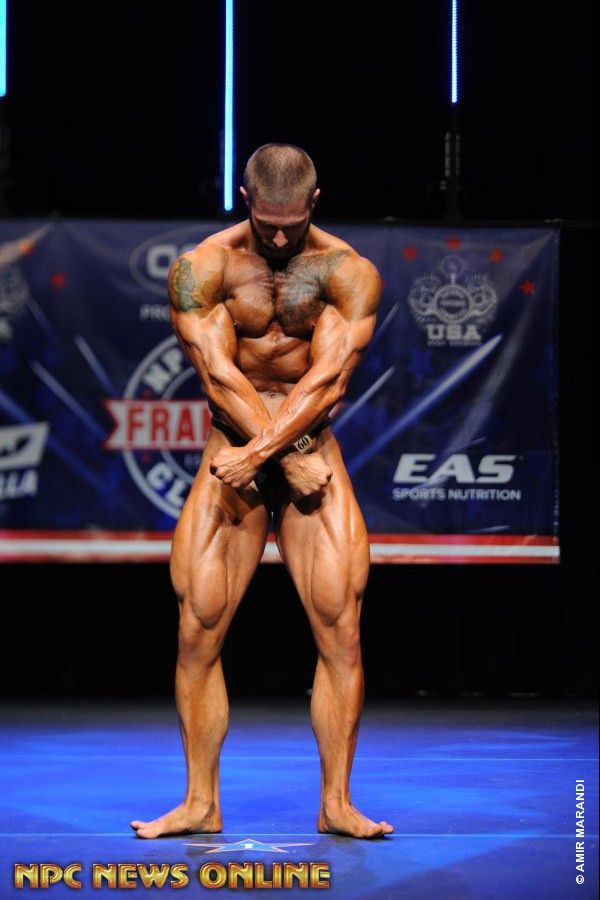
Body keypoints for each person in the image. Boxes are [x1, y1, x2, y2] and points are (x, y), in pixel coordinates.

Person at [130, 143, 393, 840]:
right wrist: (269, 454)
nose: (279, 240)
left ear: (315, 203)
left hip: (302, 453)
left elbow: (328, 382)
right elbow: (218, 377)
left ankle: (337, 804)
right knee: (197, 628)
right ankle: (199, 802)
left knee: (341, 630)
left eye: (292, 224)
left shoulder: (348, 272)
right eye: (268, 225)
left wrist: (279, 453)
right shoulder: (204, 267)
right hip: (233, 452)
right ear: (245, 201)